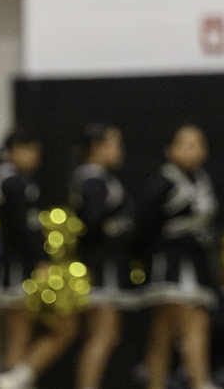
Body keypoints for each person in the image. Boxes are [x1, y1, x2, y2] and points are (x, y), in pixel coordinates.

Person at [0, 131, 77, 389]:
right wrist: (42, 260)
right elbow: (21, 228)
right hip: (21, 270)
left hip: (19, 267)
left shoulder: (14, 181)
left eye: (37, 150)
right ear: (12, 151)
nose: (35, 156)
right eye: (28, 149)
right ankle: (17, 377)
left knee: (20, 335)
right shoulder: (12, 182)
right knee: (58, 328)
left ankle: (16, 378)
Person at [137, 125, 219, 389]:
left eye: (198, 144)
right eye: (185, 145)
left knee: (162, 334)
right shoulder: (164, 181)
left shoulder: (202, 181)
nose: (193, 150)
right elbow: (142, 223)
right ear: (170, 150)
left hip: (195, 263)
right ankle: (200, 382)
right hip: (171, 266)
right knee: (195, 323)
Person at [67, 123, 137, 389]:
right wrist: (118, 229)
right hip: (99, 266)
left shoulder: (97, 178)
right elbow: (91, 223)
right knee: (102, 336)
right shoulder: (92, 180)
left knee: (107, 336)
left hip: (105, 264)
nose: (120, 151)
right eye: (114, 144)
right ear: (97, 148)